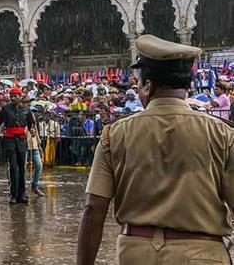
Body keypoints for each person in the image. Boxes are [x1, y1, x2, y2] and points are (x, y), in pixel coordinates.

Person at [77, 34, 234, 265]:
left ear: (148, 87)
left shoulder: (114, 134)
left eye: (138, 84)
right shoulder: (222, 134)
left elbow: (93, 210)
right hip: (204, 255)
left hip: (137, 255)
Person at [0, 87, 34, 204]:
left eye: (15, 96)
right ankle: (13, 194)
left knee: (22, 168)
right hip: (9, 141)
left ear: (20, 96)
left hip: (21, 141)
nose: (13, 98)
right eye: (11, 96)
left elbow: (31, 125)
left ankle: (22, 194)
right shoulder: (5, 109)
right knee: (13, 168)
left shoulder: (26, 110)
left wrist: (33, 130)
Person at [27, 110, 45, 196]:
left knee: (39, 165)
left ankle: (34, 185)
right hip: (25, 146)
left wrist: (39, 145)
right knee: (22, 167)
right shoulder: (24, 121)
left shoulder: (34, 123)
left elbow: (36, 133)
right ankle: (21, 188)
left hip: (34, 147)